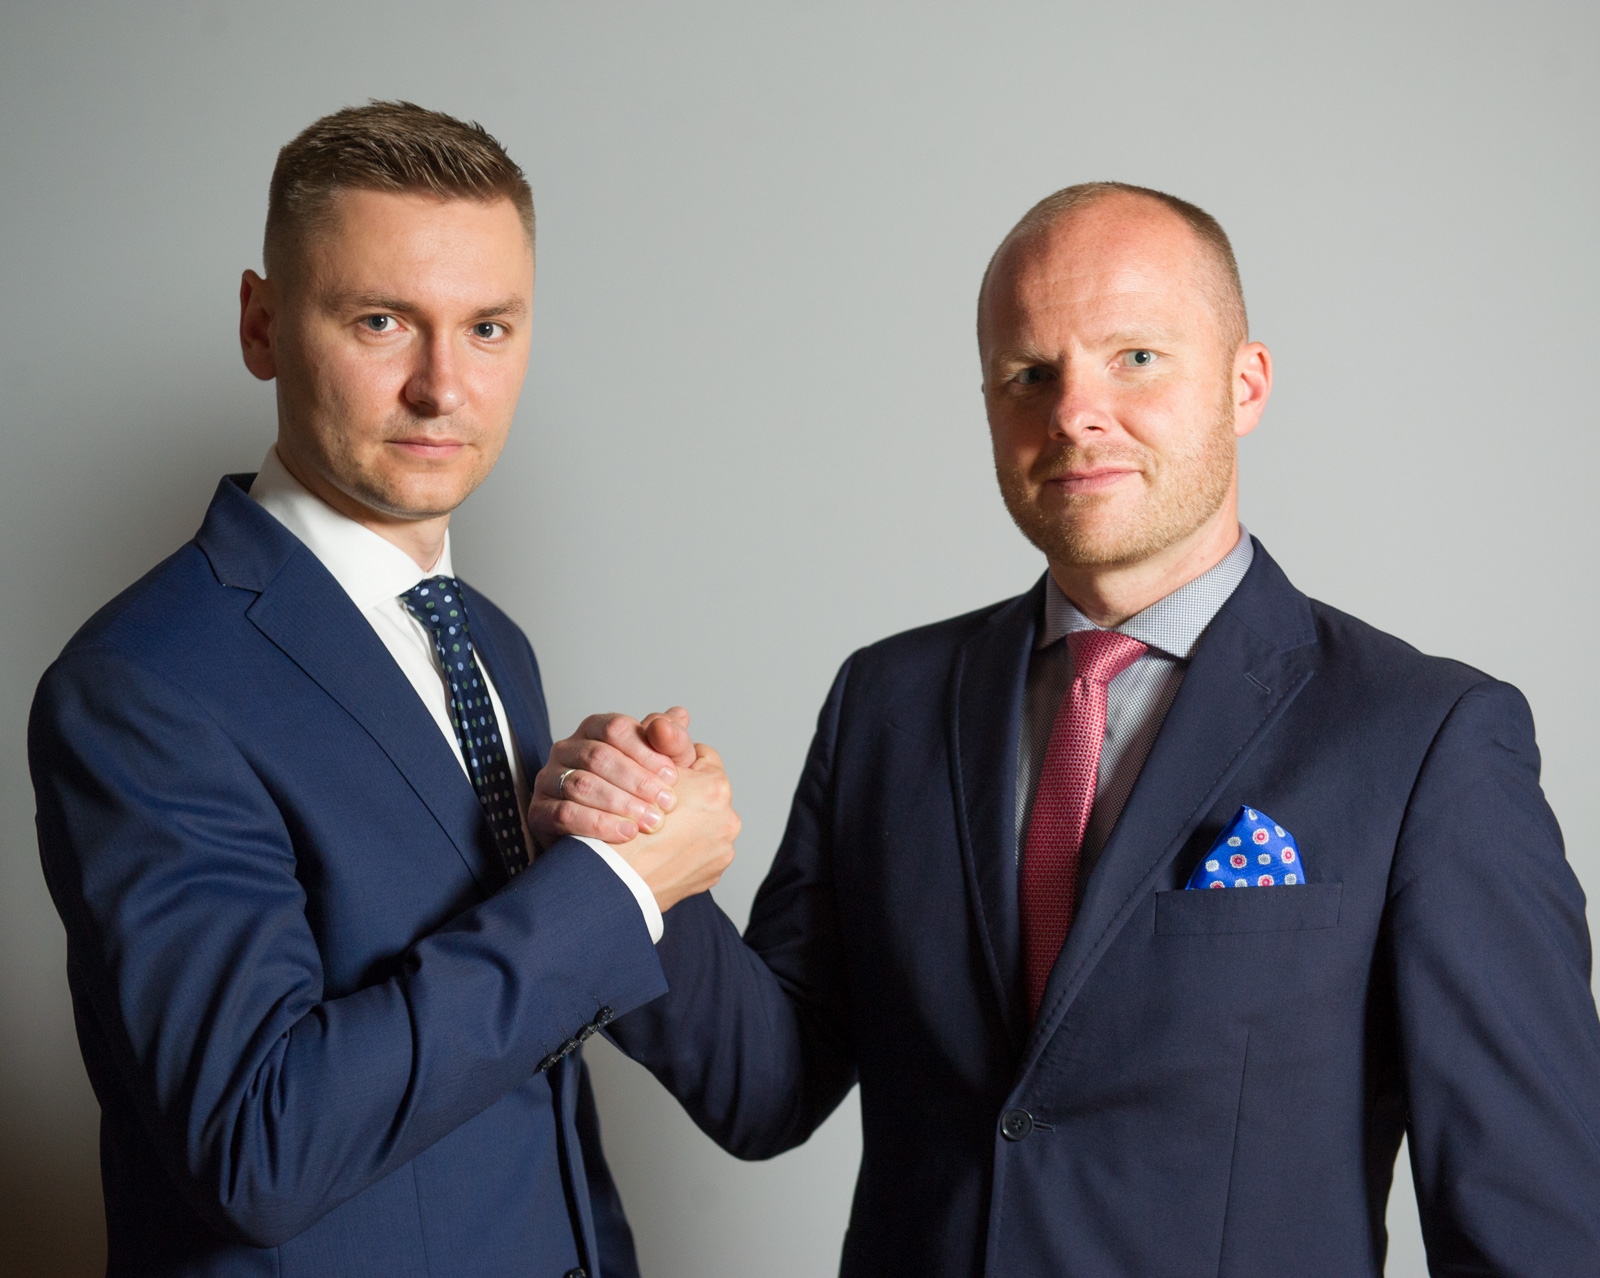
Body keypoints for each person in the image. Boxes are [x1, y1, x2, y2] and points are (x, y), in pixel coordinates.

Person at [538, 182, 1600, 1275]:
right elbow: (765, 1089)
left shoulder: (1425, 739)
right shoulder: (886, 702)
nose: (1073, 414)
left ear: (1244, 385)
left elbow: (1529, 1220)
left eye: (1134, 357)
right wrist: (636, 871)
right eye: (1028, 375)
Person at [28, 101, 737, 1278]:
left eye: (488, 328)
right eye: (380, 322)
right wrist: (615, 888)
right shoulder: (136, 688)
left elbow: (541, 1053)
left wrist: (630, 829)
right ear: (261, 325)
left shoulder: (489, 642)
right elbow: (258, 1145)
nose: (441, 387)